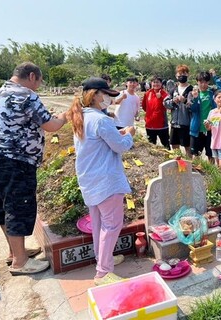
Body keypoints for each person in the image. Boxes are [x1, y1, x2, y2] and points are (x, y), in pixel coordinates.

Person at [0, 62, 68, 275]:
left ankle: (16, 252)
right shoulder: (27, 95)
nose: (38, 86)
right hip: (16, 162)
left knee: (4, 206)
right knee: (18, 208)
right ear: (32, 76)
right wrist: (65, 116)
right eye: (39, 81)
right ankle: (20, 262)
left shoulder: (1, 91)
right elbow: (51, 125)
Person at [66, 77, 136, 285]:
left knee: (99, 224)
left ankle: (103, 259)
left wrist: (119, 133)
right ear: (95, 95)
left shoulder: (83, 117)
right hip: (106, 181)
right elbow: (120, 146)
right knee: (112, 225)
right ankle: (103, 272)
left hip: (90, 179)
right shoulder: (101, 119)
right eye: (105, 95)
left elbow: (101, 140)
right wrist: (130, 133)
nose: (108, 99)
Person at [189, 69, 221, 162]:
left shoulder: (212, 93)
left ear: (208, 82)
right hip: (197, 129)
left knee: (211, 155)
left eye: (205, 82)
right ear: (197, 82)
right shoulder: (193, 93)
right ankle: (197, 174)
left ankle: (210, 175)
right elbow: (192, 109)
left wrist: (215, 76)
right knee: (195, 155)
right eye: (200, 82)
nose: (203, 84)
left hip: (211, 129)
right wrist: (194, 99)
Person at [163, 65, 193, 157]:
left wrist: (185, 101)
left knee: (187, 146)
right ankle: (179, 164)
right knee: (174, 145)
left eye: (184, 73)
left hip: (186, 123)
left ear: (188, 74)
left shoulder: (191, 90)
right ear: (176, 76)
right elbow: (165, 102)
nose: (182, 76)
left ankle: (189, 166)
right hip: (174, 123)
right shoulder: (173, 90)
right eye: (179, 74)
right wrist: (173, 101)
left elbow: (194, 106)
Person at [142, 76, 170, 149]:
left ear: (161, 84)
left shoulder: (164, 94)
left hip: (162, 126)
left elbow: (167, 106)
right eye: (154, 82)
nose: (155, 84)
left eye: (157, 82)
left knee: (166, 145)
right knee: (151, 146)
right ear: (151, 83)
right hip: (150, 125)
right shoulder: (147, 93)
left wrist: (160, 98)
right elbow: (144, 106)